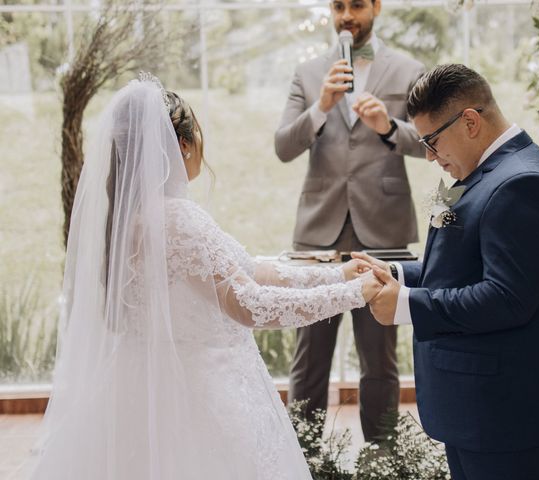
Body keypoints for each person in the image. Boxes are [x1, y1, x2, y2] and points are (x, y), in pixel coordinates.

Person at [27, 75, 382, 480]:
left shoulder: (128, 221)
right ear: (181, 144)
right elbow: (249, 303)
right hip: (202, 398)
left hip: (140, 390)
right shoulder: (177, 219)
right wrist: (355, 293)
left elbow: (248, 269)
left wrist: (336, 275)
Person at [356, 64, 539, 480]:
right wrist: (397, 273)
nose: (431, 157)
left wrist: (406, 306)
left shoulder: (522, 183)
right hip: (479, 409)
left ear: (470, 121)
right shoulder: (476, 172)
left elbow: (507, 299)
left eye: (432, 141)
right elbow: (455, 264)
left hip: (511, 412)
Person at [274, 0, 425, 441]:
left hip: (384, 230)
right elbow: (283, 147)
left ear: (376, 7)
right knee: (310, 355)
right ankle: (303, 456)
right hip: (319, 234)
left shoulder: (408, 68)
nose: (346, 16)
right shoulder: (308, 72)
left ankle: (383, 458)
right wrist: (321, 106)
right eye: (338, 6)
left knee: (379, 358)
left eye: (356, 5)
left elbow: (430, 140)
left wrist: (388, 126)